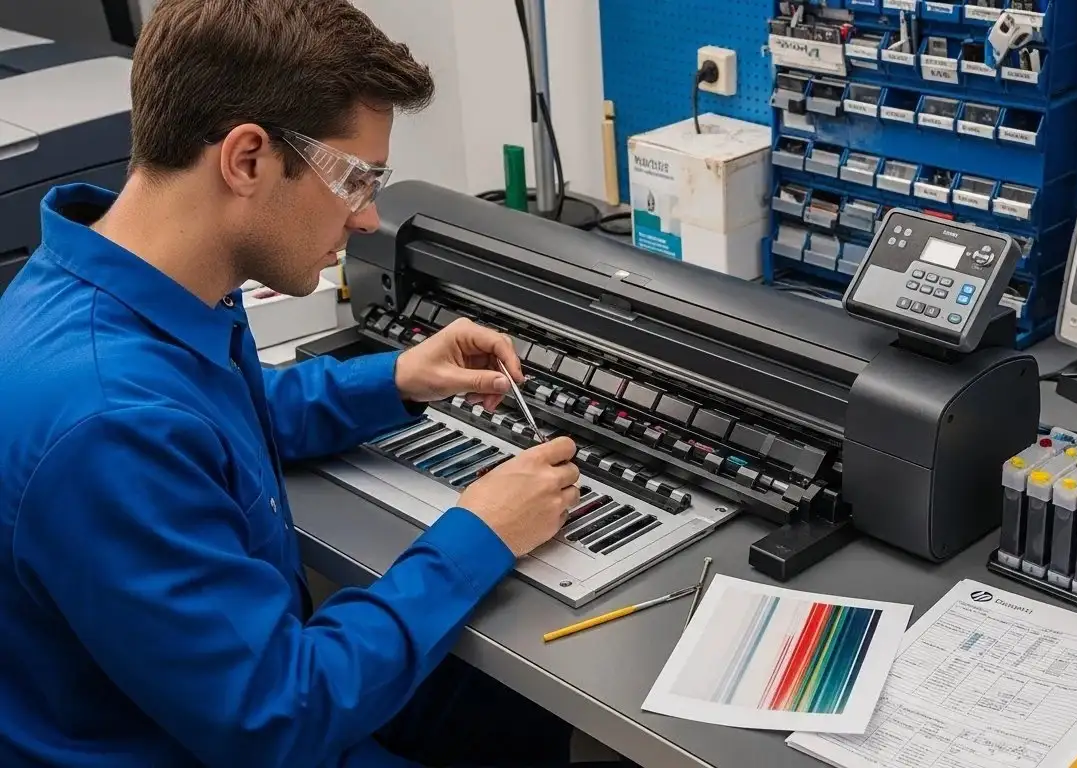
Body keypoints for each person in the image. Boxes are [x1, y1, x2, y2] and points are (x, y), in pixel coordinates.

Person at [0, 1, 620, 766]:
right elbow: (279, 717)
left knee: (500, 699)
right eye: (355, 179)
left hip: (204, 706)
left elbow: (224, 417)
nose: (366, 218)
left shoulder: (115, 286)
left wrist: (394, 378)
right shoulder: (108, 424)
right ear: (248, 159)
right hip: (223, 738)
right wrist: (479, 533)